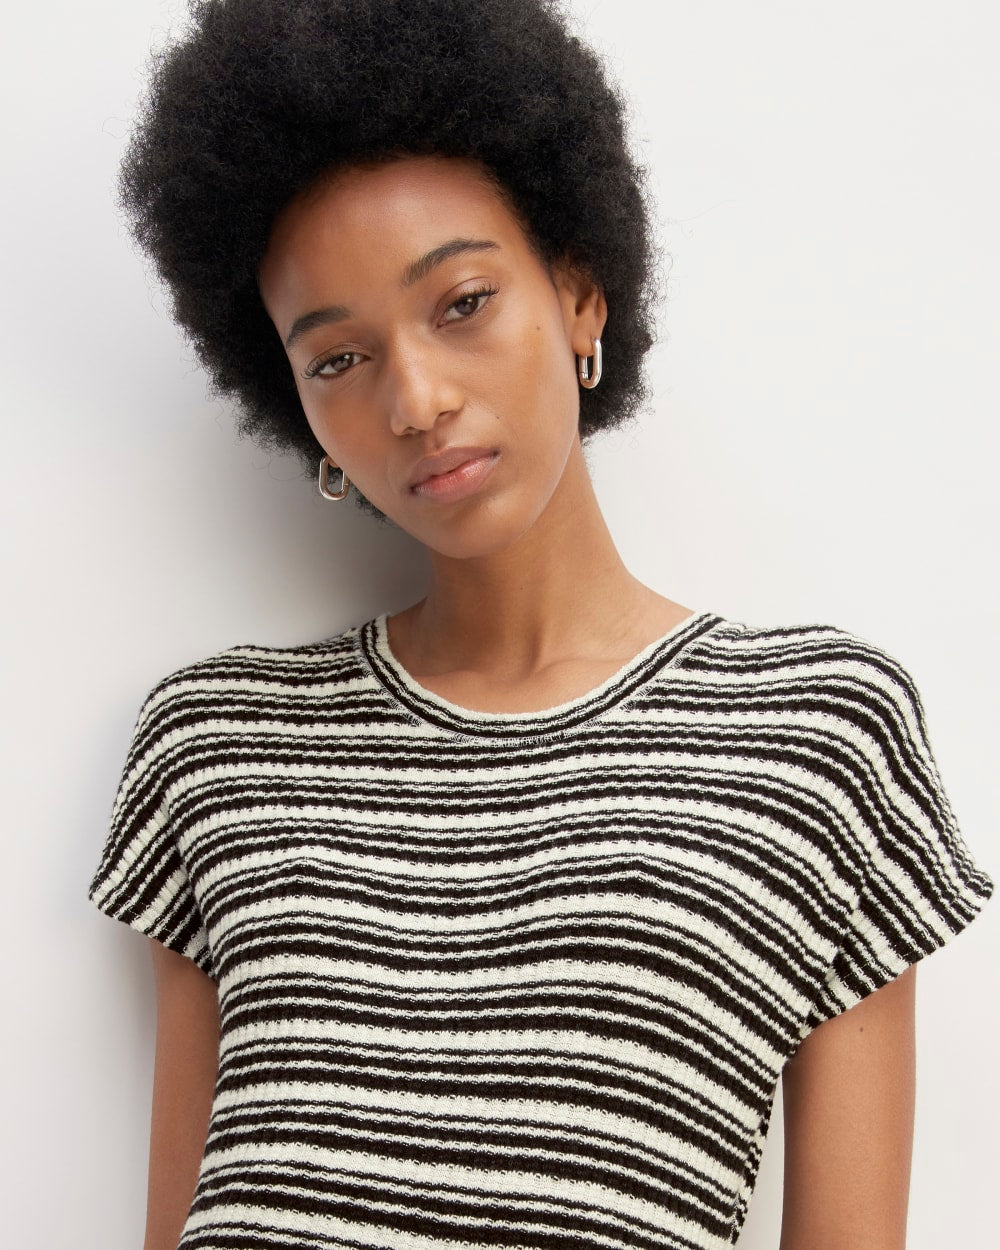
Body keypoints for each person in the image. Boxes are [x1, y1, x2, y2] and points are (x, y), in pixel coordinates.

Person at [87, 2, 994, 1248]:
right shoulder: (219, 739)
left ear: (577, 295)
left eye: (460, 301)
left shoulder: (819, 731)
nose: (415, 399)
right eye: (338, 359)